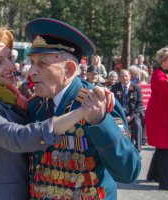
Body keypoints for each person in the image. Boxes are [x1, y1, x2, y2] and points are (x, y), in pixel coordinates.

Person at [0, 26, 102, 200]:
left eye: (10, 57)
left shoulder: (11, 95)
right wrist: (81, 111)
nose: (11, 66)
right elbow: (17, 137)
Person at [24, 18, 141, 200]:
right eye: (31, 62)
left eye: (41, 64)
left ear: (69, 69)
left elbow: (128, 171)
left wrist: (100, 122)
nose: (30, 72)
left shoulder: (97, 101)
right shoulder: (34, 105)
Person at [145, 47, 168, 191]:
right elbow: (166, 86)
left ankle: (154, 174)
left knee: (163, 148)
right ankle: (166, 183)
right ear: (162, 60)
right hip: (160, 119)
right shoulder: (158, 75)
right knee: (166, 149)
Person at [111, 69, 144, 152]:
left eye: (126, 76)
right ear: (119, 78)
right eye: (122, 76)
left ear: (130, 76)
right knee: (119, 126)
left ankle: (137, 149)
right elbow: (112, 103)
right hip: (120, 115)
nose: (124, 78)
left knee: (137, 125)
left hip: (133, 115)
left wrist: (131, 116)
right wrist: (120, 115)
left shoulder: (136, 88)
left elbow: (139, 104)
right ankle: (123, 148)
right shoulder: (115, 88)